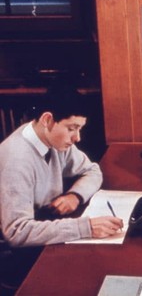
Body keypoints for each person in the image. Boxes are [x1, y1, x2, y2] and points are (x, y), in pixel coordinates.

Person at [0, 89, 123, 292]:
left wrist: (75, 196)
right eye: (71, 128)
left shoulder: (50, 140)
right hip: (13, 257)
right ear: (47, 119)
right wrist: (86, 228)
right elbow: (17, 232)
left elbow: (92, 170)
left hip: (42, 228)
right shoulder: (17, 160)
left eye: (80, 129)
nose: (77, 138)